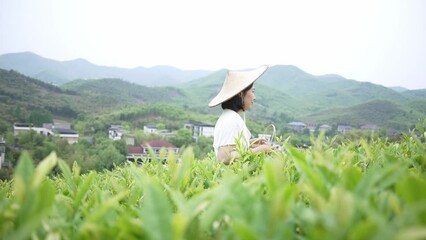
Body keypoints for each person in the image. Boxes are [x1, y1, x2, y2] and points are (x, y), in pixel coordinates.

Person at [208, 65, 272, 164]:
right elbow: (224, 157)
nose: (254, 97)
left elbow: (233, 148)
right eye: (252, 92)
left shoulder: (229, 116)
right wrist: (261, 149)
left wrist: (251, 143)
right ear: (241, 94)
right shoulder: (231, 120)